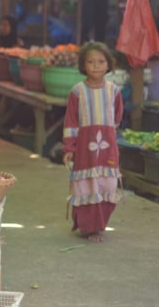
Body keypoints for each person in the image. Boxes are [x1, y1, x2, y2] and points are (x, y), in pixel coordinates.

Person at [62, 42, 123, 243]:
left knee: (107, 184)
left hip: (108, 148)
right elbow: (71, 122)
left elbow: (117, 117)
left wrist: (107, 134)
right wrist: (69, 147)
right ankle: (88, 227)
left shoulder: (114, 90)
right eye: (90, 62)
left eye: (101, 61)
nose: (96, 66)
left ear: (108, 64)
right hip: (84, 148)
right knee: (86, 186)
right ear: (83, 65)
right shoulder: (77, 91)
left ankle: (98, 225)